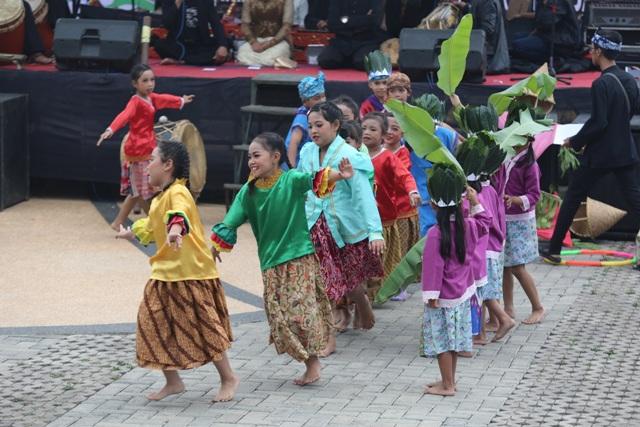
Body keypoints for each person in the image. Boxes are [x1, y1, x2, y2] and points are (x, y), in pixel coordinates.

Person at [211, 132, 353, 385]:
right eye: (249, 157)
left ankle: (313, 363)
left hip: (299, 257)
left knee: (300, 311)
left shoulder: (290, 180)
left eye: (256, 155)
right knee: (280, 317)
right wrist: (216, 247)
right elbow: (230, 221)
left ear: (275, 157)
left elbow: (315, 179)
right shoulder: (248, 192)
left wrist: (339, 175)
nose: (251, 161)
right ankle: (310, 360)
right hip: (271, 264)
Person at [115, 140, 238, 402]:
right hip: (164, 274)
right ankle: (173, 381)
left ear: (168, 165)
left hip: (190, 274)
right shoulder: (161, 197)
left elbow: (178, 215)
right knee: (152, 323)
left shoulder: (179, 193)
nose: (147, 166)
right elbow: (151, 224)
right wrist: (132, 232)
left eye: (152, 160)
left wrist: (174, 230)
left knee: (205, 329)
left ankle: (228, 378)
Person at [543, 30, 640, 264]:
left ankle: (554, 250)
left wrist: (575, 141)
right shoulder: (630, 80)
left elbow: (599, 122)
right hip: (625, 151)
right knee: (636, 202)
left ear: (598, 51)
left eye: (592, 49)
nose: (590, 53)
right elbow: (627, 113)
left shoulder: (600, 84)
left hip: (600, 155)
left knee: (573, 198)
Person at [298, 101, 385, 355]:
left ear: (335, 126)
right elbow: (301, 187)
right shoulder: (307, 153)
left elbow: (363, 195)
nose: (313, 131)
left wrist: (375, 231)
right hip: (315, 226)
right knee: (325, 281)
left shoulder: (349, 156)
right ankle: (329, 339)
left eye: (319, 125)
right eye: (310, 126)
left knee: (348, 275)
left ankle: (361, 302)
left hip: (344, 226)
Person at [97, 64, 194, 231]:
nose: (150, 84)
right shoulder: (135, 101)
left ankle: (121, 222)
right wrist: (110, 129)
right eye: (145, 81)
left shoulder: (151, 98)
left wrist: (181, 100)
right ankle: (150, 221)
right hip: (138, 149)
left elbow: (164, 99)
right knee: (141, 190)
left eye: (152, 80)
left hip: (148, 147)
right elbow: (124, 115)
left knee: (138, 190)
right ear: (135, 84)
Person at [421, 164, 490, 396]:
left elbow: (433, 267)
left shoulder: (435, 234)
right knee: (455, 340)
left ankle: (447, 385)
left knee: (443, 342)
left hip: (442, 297)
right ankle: (449, 380)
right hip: (462, 294)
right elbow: (485, 223)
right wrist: (476, 200)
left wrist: (431, 296)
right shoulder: (468, 225)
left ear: (433, 205)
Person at [361, 112, 420, 300]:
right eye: (363, 128)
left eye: (373, 129)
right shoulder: (356, 154)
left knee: (383, 258)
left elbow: (404, 175)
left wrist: (412, 191)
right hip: (360, 219)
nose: (367, 132)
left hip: (384, 218)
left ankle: (383, 292)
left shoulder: (388, 157)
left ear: (383, 134)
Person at [495, 139, 545, 324]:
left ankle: (537, 307)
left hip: (519, 222)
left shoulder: (530, 165)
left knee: (517, 266)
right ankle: (508, 308)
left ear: (530, 139)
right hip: (503, 218)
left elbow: (535, 195)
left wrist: (514, 200)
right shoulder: (507, 157)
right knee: (505, 266)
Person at [152, 0, 229, 66]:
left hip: (201, 45)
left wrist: (223, 45)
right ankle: (195, 61)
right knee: (160, 44)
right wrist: (178, 2)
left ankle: (180, 61)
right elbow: (166, 23)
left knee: (225, 46)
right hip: (178, 45)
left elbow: (215, 23)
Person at [318, 0, 387, 70]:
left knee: (363, 62)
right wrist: (364, 19)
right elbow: (332, 23)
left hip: (366, 41)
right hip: (341, 41)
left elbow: (375, 21)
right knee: (326, 61)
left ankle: (351, 60)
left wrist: (344, 20)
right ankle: (351, 60)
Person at [511, 0, 580, 66]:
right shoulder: (542, 2)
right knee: (516, 37)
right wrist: (522, 15)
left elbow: (548, 22)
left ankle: (554, 59)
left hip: (560, 41)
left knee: (517, 45)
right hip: (546, 35)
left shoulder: (559, 2)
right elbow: (539, 18)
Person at [236, 0, 295, 68]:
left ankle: (270, 62)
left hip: (278, 41)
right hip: (257, 40)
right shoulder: (249, 1)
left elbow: (287, 26)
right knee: (242, 52)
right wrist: (253, 42)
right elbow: (245, 25)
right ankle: (268, 63)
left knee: (276, 55)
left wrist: (268, 45)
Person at [285, 72, 326, 167]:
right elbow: (293, 143)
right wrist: (291, 168)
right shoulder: (302, 118)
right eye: (317, 98)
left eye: (323, 96)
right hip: (298, 162)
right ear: (305, 102)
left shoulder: (317, 113)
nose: (322, 100)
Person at [359, 51, 392, 118]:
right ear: (370, 85)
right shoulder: (367, 106)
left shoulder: (396, 102)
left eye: (385, 83)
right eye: (377, 83)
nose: (381, 87)